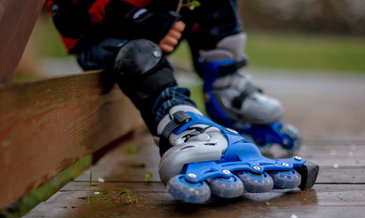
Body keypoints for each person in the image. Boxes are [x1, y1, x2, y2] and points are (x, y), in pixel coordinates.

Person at [47, 0, 317, 203]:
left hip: (160, 18)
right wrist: (137, 19)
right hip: (102, 33)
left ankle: (226, 92)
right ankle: (178, 122)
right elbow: (69, 13)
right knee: (140, 54)